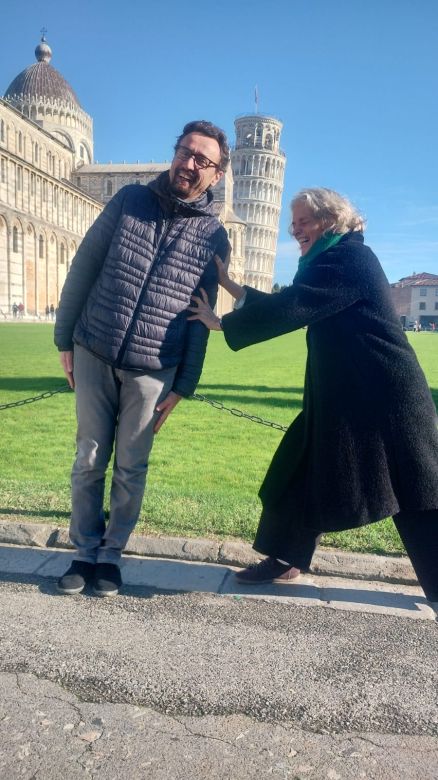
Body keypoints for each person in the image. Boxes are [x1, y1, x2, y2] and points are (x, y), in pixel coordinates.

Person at [189, 187, 438, 614]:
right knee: (296, 469)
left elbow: (295, 304)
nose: (294, 229)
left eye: (303, 220)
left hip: (387, 398)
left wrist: (221, 322)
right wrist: (230, 284)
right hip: (342, 398)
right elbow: (297, 302)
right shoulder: (329, 260)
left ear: (331, 219)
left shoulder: (348, 258)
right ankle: (286, 559)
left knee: (418, 491)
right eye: (294, 222)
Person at [54, 120, 230, 597]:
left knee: (132, 465)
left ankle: (110, 557)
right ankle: (82, 552)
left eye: (202, 160)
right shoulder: (129, 200)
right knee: (89, 458)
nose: (188, 164)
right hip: (94, 346)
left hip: (156, 366)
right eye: (184, 151)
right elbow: (84, 264)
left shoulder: (214, 236)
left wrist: (184, 385)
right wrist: (63, 339)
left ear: (216, 175)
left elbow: (202, 314)